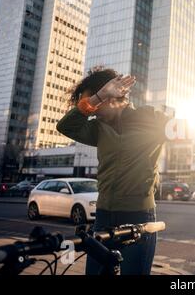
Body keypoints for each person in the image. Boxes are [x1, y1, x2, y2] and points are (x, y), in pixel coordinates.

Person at [57, 67, 170, 275]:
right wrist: (98, 96)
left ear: (115, 96)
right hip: (103, 216)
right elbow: (66, 127)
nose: (91, 110)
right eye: (88, 105)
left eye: (93, 103)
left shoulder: (150, 118)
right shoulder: (98, 128)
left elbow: (188, 128)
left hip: (138, 215)